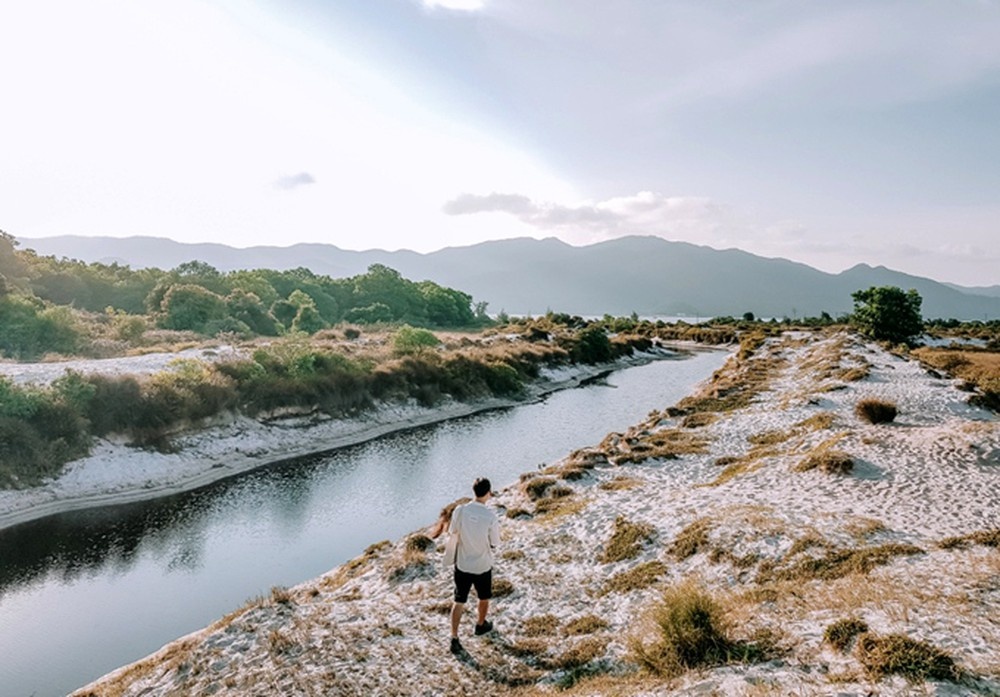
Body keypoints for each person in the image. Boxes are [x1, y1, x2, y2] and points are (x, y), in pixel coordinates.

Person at [446, 477, 500, 655]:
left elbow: (452, 531)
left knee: (459, 600)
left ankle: (454, 637)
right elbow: (495, 542)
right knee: (483, 597)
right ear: (488, 493)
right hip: (482, 565)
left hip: (462, 564)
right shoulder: (490, 516)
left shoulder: (460, 510)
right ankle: (480, 624)